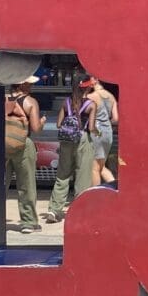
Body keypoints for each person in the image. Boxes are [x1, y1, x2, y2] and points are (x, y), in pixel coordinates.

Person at [41, 70, 96, 224]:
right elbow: (91, 128)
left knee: (62, 176)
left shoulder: (66, 102)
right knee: (82, 177)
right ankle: (80, 211)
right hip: (83, 139)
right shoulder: (91, 105)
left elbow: (58, 124)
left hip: (66, 140)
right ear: (87, 88)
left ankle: (54, 210)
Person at [5, 75, 46, 234]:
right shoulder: (30, 102)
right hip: (23, 144)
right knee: (26, 184)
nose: (31, 86)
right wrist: (42, 122)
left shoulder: (3, 98)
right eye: (29, 83)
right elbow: (35, 128)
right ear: (22, 84)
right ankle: (28, 223)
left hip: (4, 143)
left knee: (1, 183)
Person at [84, 74, 119, 186]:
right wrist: (106, 122)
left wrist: (86, 91)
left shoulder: (91, 96)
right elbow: (116, 119)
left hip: (96, 132)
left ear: (96, 80)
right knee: (101, 166)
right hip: (108, 132)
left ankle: (96, 195)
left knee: (94, 168)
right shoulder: (111, 96)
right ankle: (114, 187)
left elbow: (81, 107)